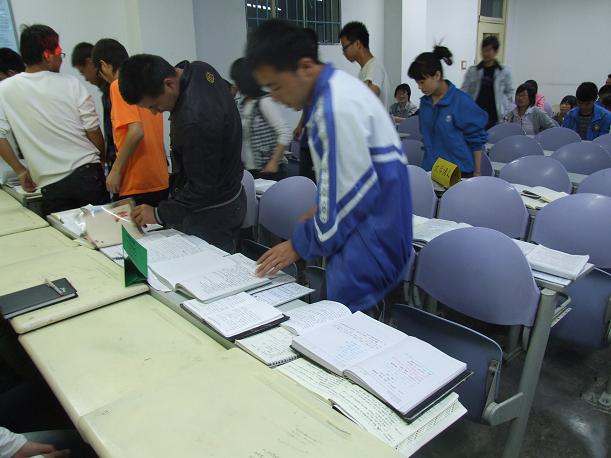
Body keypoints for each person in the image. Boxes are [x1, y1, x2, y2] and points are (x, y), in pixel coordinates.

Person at [248, 20, 412, 313]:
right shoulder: (335, 91)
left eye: (276, 86)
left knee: (347, 327)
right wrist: (323, 208)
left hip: (369, 246)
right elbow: (352, 176)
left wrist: (299, 244)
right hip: (371, 233)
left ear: (305, 67)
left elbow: (352, 197)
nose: (275, 97)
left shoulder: (335, 107)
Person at [118, 54, 245, 252]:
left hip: (214, 210)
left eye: (153, 106)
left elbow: (201, 188)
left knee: (205, 266)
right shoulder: (200, 68)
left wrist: (158, 214)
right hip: (230, 190)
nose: (155, 112)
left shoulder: (194, 120)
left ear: (169, 84)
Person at [0, 24, 108, 215]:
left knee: (66, 233)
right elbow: (93, 130)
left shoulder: (5, 90)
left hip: (51, 185)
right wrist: (101, 160)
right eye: (59, 52)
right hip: (87, 173)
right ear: (47, 55)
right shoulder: (71, 83)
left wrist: (20, 171)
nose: (61, 58)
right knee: (103, 229)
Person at [92, 39, 168, 206]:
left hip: (135, 181)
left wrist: (115, 170)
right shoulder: (147, 85)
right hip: (159, 177)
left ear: (104, 65)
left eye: (99, 73)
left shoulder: (118, 86)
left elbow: (136, 131)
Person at [408, 46, 488, 177]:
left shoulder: (461, 101)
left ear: (437, 75)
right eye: (417, 83)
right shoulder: (425, 103)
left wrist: (477, 172)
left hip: (459, 172)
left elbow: (476, 140)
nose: (419, 87)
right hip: (432, 170)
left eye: (422, 82)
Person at [230, 57, 291, 181]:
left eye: (237, 80)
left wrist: (274, 161)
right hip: (249, 169)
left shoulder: (264, 101)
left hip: (267, 169)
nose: (235, 84)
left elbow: (285, 132)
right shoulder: (242, 103)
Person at [71, 42, 116, 169]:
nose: (85, 79)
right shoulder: (107, 93)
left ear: (90, 62)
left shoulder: (114, 91)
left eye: (83, 72)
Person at [461, 35, 513, 129]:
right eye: (483, 50)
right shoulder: (473, 70)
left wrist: (505, 108)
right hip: (475, 113)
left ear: (495, 51)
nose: (485, 53)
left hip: (495, 114)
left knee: (493, 136)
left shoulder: (504, 71)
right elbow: (464, 91)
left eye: (488, 50)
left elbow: (509, 92)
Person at [338, 21, 389, 108]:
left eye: (345, 48)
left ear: (358, 44)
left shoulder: (374, 67)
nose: (343, 53)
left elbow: (367, 102)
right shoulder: (365, 69)